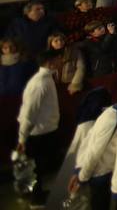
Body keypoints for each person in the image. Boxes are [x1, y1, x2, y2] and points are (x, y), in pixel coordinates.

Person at [70, 81, 117, 210]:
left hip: (104, 170)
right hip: (100, 172)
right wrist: (82, 176)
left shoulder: (116, 112)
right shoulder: (113, 118)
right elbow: (95, 149)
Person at [47, 87, 113, 210]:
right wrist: (80, 176)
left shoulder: (87, 121)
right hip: (93, 173)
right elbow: (88, 153)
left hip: (89, 172)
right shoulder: (92, 124)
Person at [17, 49, 62, 206]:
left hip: (46, 131)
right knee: (36, 168)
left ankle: (40, 193)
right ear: (50, 62)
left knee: (42, 167)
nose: (61, 61)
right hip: (38, 134)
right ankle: (36, 200)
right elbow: (29, 112)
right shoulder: (39, 83)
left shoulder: (47, 79)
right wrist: (22, 137)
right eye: (58, 59)